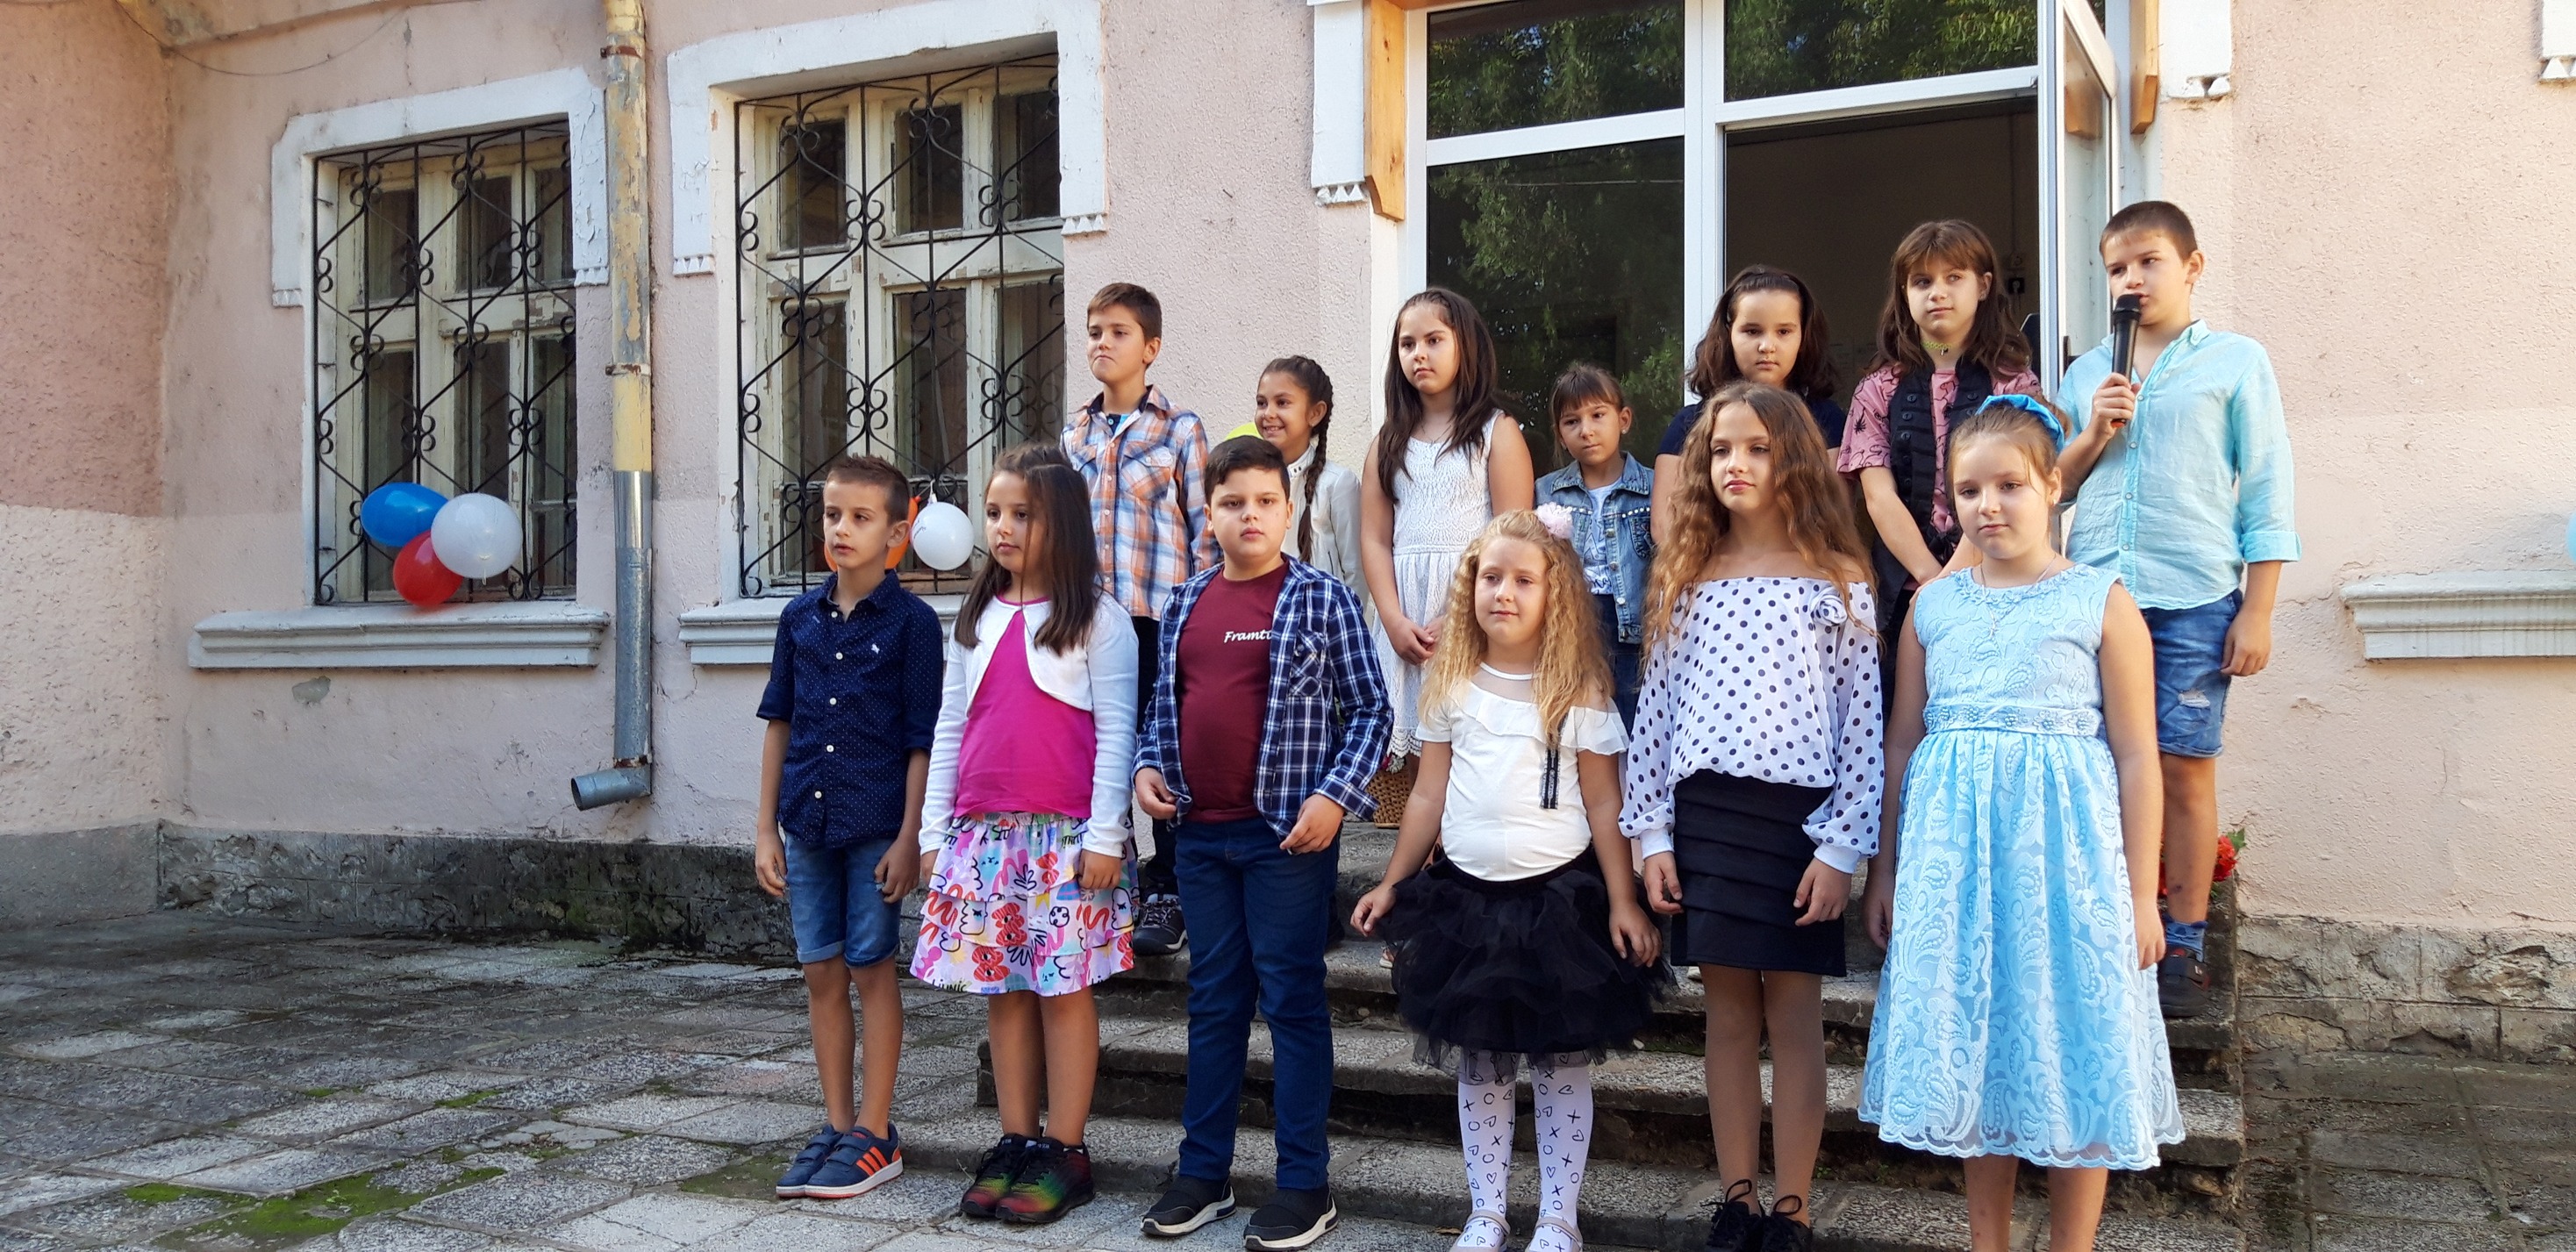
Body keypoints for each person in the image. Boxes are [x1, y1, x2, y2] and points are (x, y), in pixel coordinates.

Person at [1858, 396, 2182, 1252]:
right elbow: (1901, 744)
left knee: (2078, 1047)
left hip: (2069, 873)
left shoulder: (2100, 602)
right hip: (1957, 873)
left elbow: (2137, 756)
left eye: (2009, 485)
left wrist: (2140, 894)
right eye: (1968, 490)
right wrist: (1884, 871)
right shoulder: (1932, 607)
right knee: (1979, 1054)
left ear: (2051, 486)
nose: (1988, 505)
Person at [1351, 508, 1667, 1252]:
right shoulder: (1451, 684)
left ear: (1555, 595)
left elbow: (1604, 802)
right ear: (1471, 588)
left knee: (1560, 1063)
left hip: (1558, 903)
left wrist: (1623, 898)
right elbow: (1427, 795)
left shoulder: (1578, 691)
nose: (1504, 591)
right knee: (1482, 1061)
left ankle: (1560, 1216)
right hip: (1468, 902)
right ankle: (1486, 1211)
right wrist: (1393, 881)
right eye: (1491, 576)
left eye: (1525, 579)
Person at [1622, 383, 1884, 1252]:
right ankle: (1736, 1201)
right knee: (1728, 1014)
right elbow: (1656, 716)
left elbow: (1861, 723)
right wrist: (1650, 834)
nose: (1735, 463)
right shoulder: (1684, 576)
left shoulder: (1837, 578)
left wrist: (1841, 847)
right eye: (1721, 449)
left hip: (1797, 824)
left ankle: (1792, 1210)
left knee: (1794, 1014)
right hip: (1706, 814)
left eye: (1757, 448)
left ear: (1794, 459)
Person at [1133, 436, 1392, 1251]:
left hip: (1287, 841)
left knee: (1291, 1000)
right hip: (1200, 840)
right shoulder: (1185, 602)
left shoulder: (1322, 599)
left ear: (1289, 509)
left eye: (1265, 502)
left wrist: (1334, 796)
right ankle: (1203, 1173)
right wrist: (1147, 765)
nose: (1250, 515)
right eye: (1233, 502)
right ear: (1208, 514)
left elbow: (1372, 710)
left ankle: (1305, 1184)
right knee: (1214, 1001)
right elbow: (1163, 707)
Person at [2055, 200, 2299, 1018]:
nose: (2131, 279)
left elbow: (2267, 489)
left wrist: (2258, 609)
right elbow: (2051, 487)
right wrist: (2093, 430)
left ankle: (2183, 943)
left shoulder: (2235, 362)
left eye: (2148, 261)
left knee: (2184, 766)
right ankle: (2108, 926)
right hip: (2096, 597)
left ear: (2192, 268)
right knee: (2094, 765)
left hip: (2194, 595)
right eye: (2116, 268)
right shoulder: (2089, 371)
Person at [913, 449, 1139, 1226]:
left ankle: (1065, 1151)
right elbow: (951, 726)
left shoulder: (1097, 620)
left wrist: (1106, 834)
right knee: (1003, 989)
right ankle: (1015, 1139)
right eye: (995, 512)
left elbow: (1117, 735)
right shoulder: (974, 618)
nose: (1003, 527)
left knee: (1062, 991)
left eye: (1023, 514)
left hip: (1065, 841)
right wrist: (934, 830)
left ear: (1061, 521)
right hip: (984, 837)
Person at [754, 454, 942, 1202]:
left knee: (871, 967)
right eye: (833, 514)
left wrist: (909, 836)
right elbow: (779, 722)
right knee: (820, 970)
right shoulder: (798, 618)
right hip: (807, 821)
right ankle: (835, 1123)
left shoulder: (914, 625)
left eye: (861, 517)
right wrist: (765, 829)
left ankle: (874, 1130)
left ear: (897, 533)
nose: (841, 528)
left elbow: (923, 740)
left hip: (876, 828)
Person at [1062, 283, 1214, 958]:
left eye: (1118, 332)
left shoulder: (1179, 429)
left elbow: (1205, 528)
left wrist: (1200, 616)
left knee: (1163, 747)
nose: (1103, 342)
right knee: (1099, 746)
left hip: (1160, 621)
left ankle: (1168, 888)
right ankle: (1112, 881)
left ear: (1150, 347)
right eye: (1095, 330)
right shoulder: (1074, 434)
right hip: (1089, 625)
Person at [1359, 289, 1535, 799]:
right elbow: (1375, 539)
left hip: (1472, 615)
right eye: (1407, 344)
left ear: (1466, 346)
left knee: (1471, 751)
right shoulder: (1387, 442)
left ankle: (1461, 846)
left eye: (1434, 340)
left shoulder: (1496, 433)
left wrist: (1460, 616)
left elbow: (1513, 537)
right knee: (1421, 761)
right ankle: (1424, 848)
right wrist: (1393, 620)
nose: (1419, 354)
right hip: (1408, 621)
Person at [1835, 221, 2042, 657]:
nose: (1938, 293)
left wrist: (1954, 578)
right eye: (1922, 281)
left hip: (1999, 582)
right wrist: (1932, 580)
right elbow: (1878, 497)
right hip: (1904, 591)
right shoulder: (1878, 389)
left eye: (1954, 277)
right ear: (1904, 292)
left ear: (1983, 286)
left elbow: (2014, 485)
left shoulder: (2012, 384)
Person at [1652, 266, 1843, 545]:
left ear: (1803, 337)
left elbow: (1834, 519)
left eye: (1784, 331)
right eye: (1752, 331)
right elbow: (1665, 527)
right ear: (1728, 334)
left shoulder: (1827, 421)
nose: (1767, 346)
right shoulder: (1688, 424)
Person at [1534, 363, 1654, 726]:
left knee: (1633, 730)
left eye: (1598, 415)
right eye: (1572, 422)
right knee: (1577, 731)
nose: (1586, 430)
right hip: (1571, 635)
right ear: (1560, 434)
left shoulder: (1653, 487)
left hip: (1633, 637)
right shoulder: (1546, 491)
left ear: (1623, 419)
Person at [1254, 355, 1369, 613]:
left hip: (1323, 626)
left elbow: (1356, 573)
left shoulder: (1337, 484)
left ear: (1315, 413)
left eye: (1282, 403)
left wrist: (1345, 625)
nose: (1268, 413)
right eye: (1262, 403)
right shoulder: (1253, 483)